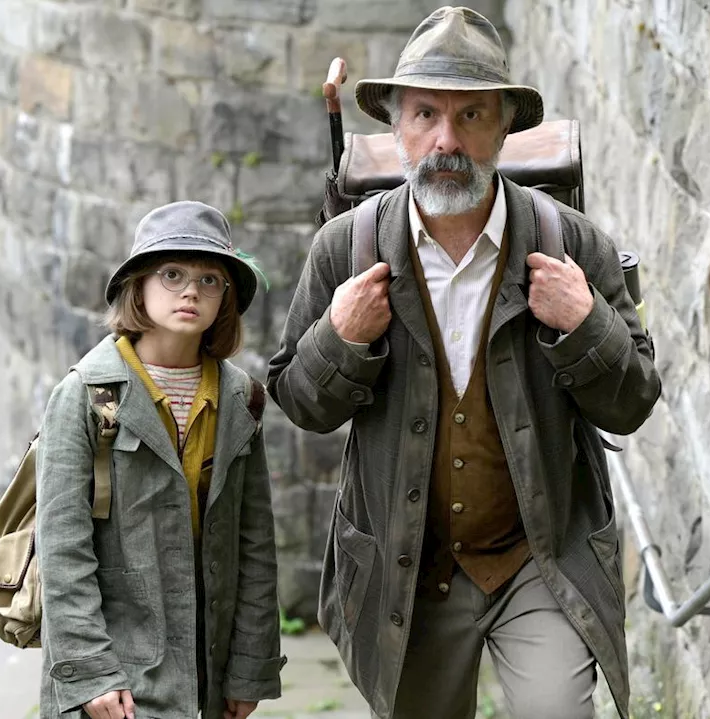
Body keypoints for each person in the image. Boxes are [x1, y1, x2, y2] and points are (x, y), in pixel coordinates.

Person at [267, 7, 662, 719]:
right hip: (406, 568)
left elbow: (632, 402)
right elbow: (300, 401)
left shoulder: (569, 244)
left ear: (504, 127)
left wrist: (586, 322)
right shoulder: (345, 248)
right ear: (395, 124)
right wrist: (340, 336)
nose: (446, 140)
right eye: (424, 114)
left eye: (471, 114)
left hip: (539, 557)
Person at [36, 201, 285, 719]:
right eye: (172, 274)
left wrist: (249, 668)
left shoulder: (243, 399)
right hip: (116, 681)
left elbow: (254, 544)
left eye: (210, 279)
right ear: (139, 287)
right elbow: (62, 550)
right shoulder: (84, 394)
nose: (191, 290)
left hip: (209, 676)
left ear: (226, 298)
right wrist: (91, 674)